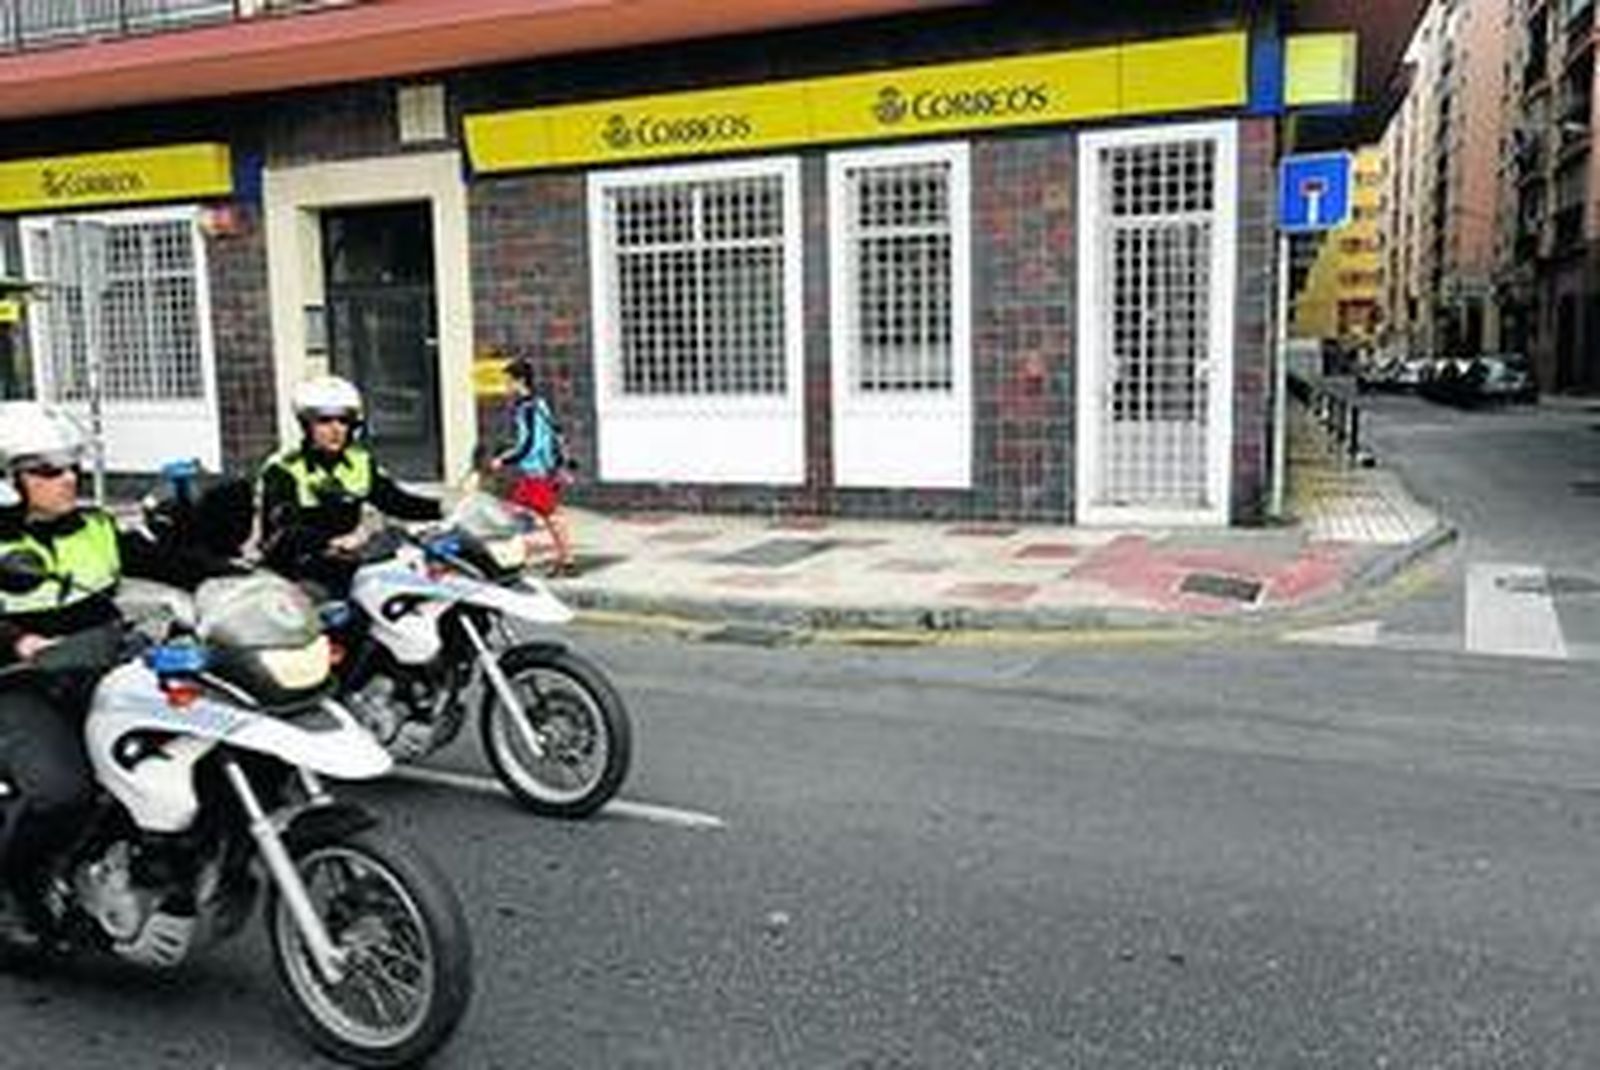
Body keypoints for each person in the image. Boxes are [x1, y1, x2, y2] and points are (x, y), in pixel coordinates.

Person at [0, 401, 233, 945]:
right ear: (9, 480)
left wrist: (246, 580)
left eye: (71, 465)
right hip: (21, 685)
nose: (67, 479)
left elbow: (169, 564)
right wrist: (21, 640)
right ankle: (15, 892)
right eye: (48, 469)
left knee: (201, 743)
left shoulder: (97, 527)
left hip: (101, 668)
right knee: (63, 794)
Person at [258, 375, 442, 596]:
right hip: (296, 572)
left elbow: (396, 501)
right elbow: (282, 529)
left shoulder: (359, 462)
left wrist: (445, 508)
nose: (336, 429)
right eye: (325, 421)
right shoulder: (284, 468)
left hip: (346, 565)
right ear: (307, 425)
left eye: (344, 421)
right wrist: (330, 541)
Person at [490, 359, 575, 577]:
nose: (506, 386)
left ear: (520, 380)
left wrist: (504, 460)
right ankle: (562, 560)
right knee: (526, 515)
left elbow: (529, 444)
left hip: (537, 471)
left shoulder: (527, 408)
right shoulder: (538, 403)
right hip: (540, 470)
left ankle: (562, 561)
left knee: (543, 516)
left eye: (508, 381)